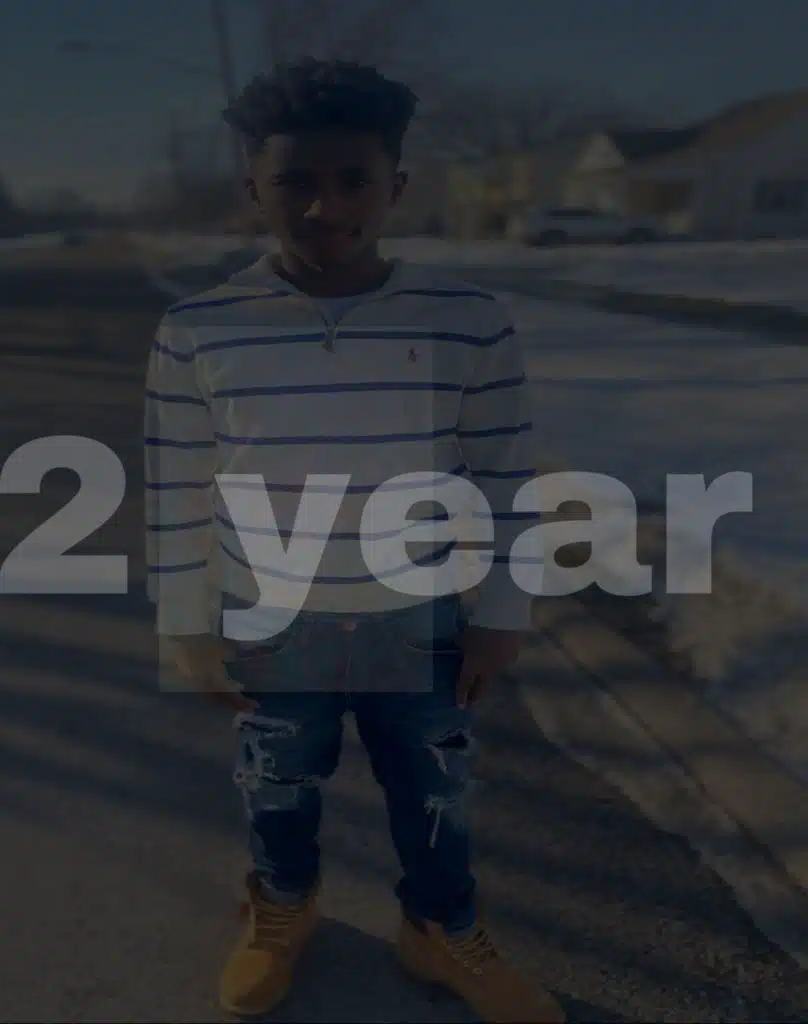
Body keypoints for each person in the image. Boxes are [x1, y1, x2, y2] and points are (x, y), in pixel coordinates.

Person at [144, 57, 563, 1022]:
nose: (323, 207)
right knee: (278, 780)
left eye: (352, 180)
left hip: (416, 612)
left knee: (435, 786)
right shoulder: (200, 328)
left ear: (395, 186)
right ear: (254, 189)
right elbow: (177, 486)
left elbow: (506, 476)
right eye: (294, 180)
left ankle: (440, 929)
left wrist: (504, 612)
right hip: (270, 611)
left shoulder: (466, 321)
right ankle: (283, 907)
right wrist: (185, 625)